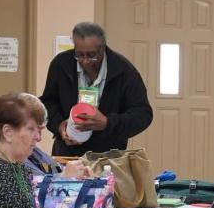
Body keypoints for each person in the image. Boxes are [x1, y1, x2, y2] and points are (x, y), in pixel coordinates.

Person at [39, 21, 153, 156]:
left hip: (108, 157)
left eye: (92, 55)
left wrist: (107, 123)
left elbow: (143, 114)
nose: (85, 61)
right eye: (79, 55)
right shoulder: (60, 64)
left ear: (102, 47)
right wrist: (59, 126)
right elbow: (48, 102)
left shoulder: (123, 70)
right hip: (67, 153)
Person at [0, 93, 90, 208]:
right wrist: (64, 183)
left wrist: (82, 184)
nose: (38, 137)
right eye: (31, 129)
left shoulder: (18, 165)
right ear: (8, 132)